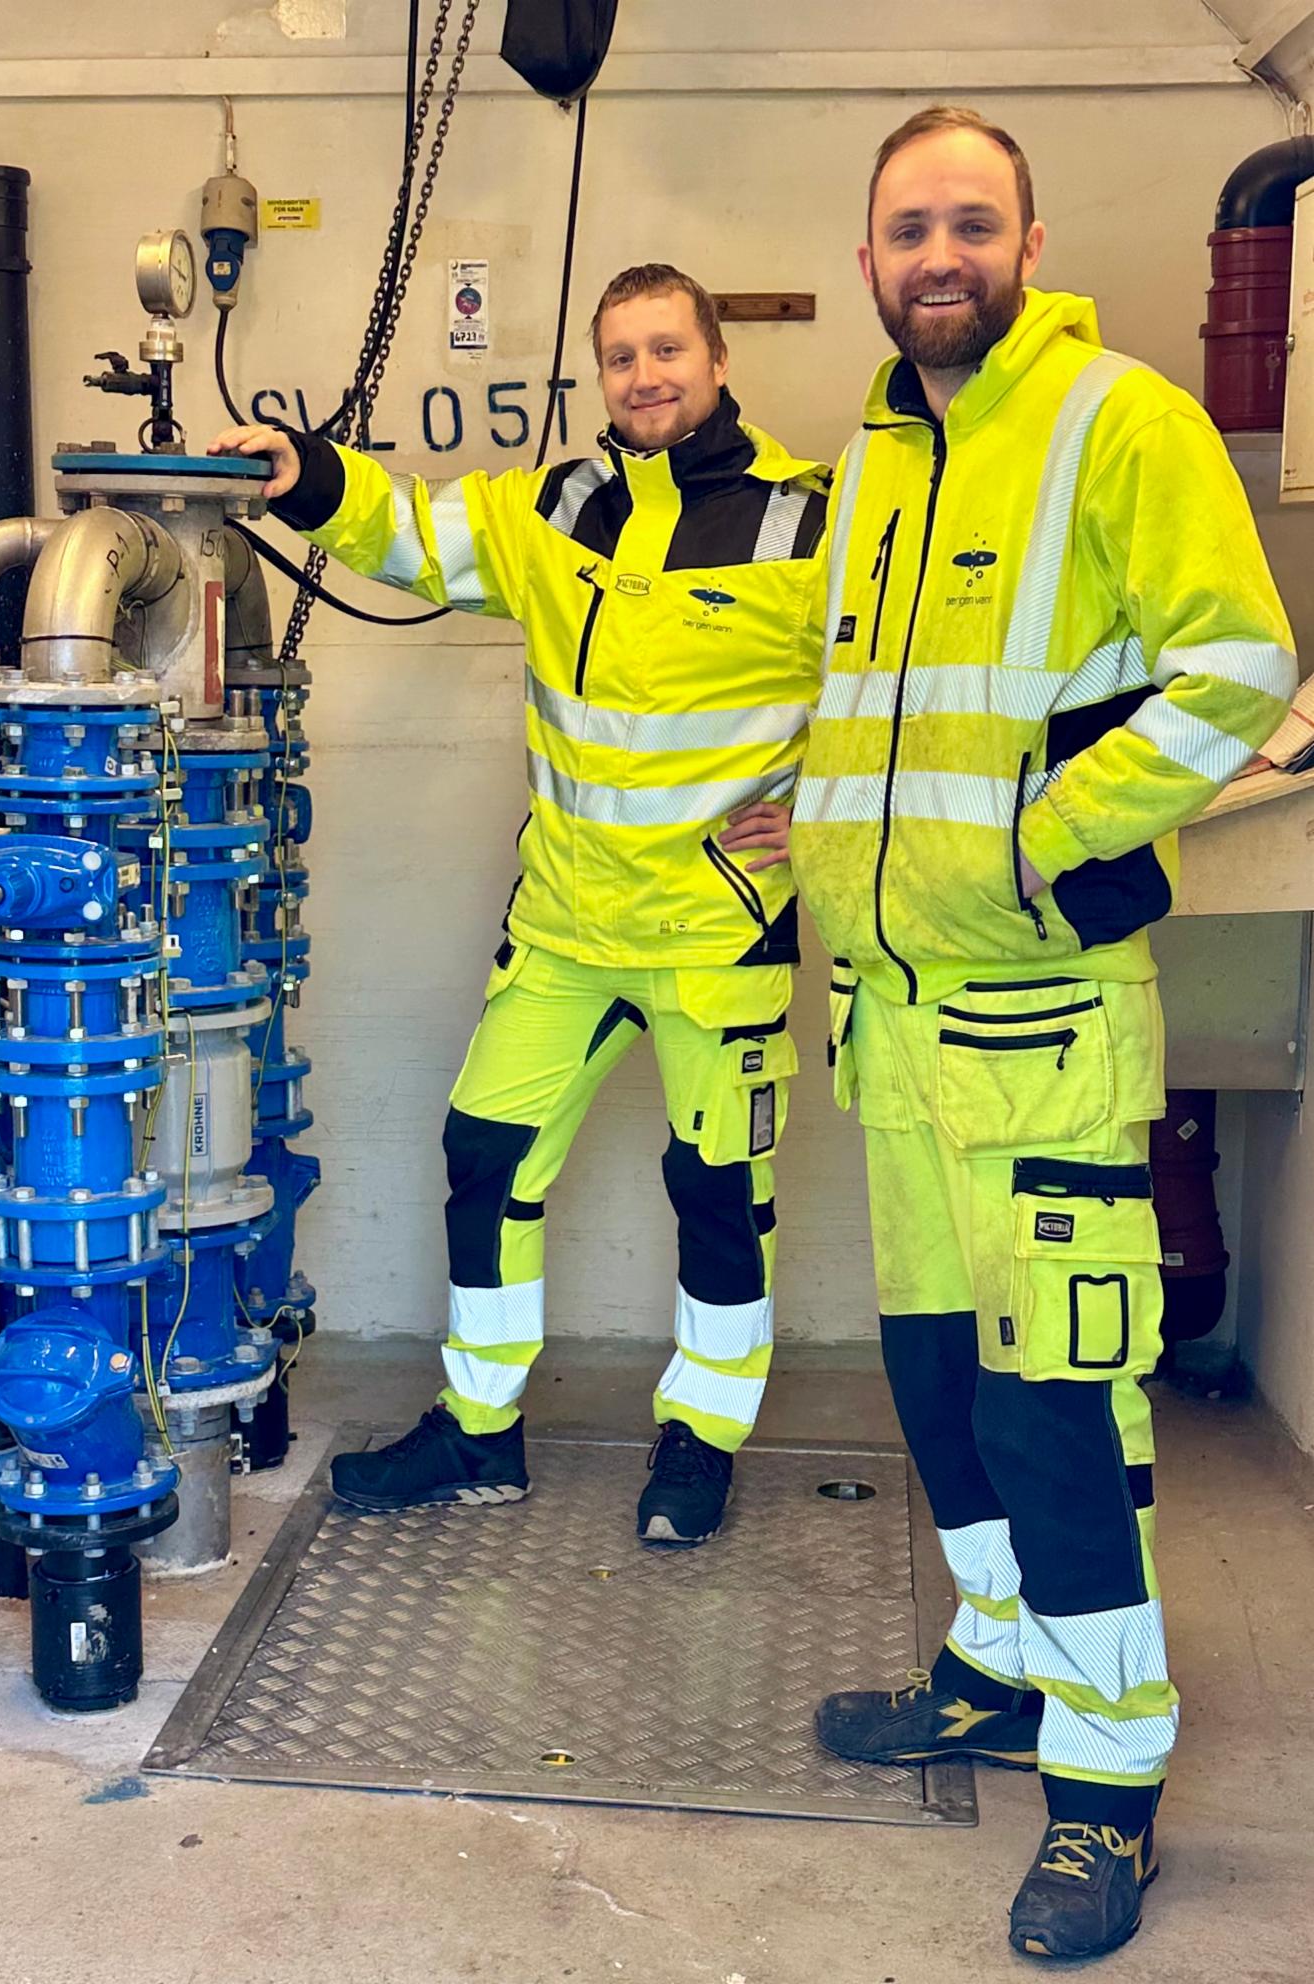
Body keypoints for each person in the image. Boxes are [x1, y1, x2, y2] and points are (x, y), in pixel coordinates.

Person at [791, 107, 1295, 1960]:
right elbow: (893, 714)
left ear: (1028, 243)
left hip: (1047, 1028)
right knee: (940, 1385)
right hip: (900, 1027)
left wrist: (1044, 833)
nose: (941, 254)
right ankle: (1002, 1666)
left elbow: (1241, 668)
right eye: (910, 226)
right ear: (868, 257)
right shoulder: (881, 456)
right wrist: (818, 827)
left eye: (973, 223)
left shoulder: (1120, 419)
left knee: (1059, 1408)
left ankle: (1107, 1779)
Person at [210, 264, 829, 1546]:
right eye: (621, 356)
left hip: (716, 938)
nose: (645, 376)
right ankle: (479, 1430)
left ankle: (701, 1438)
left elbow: (899, 693)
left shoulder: (807, 522)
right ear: (599, 375)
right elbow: (410, 530)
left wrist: (828, 818)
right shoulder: (554, 505)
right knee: (484, 1158)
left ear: (716, 360)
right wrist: (304, 473)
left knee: (721, 1195)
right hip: (562, 929)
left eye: (667, 349)